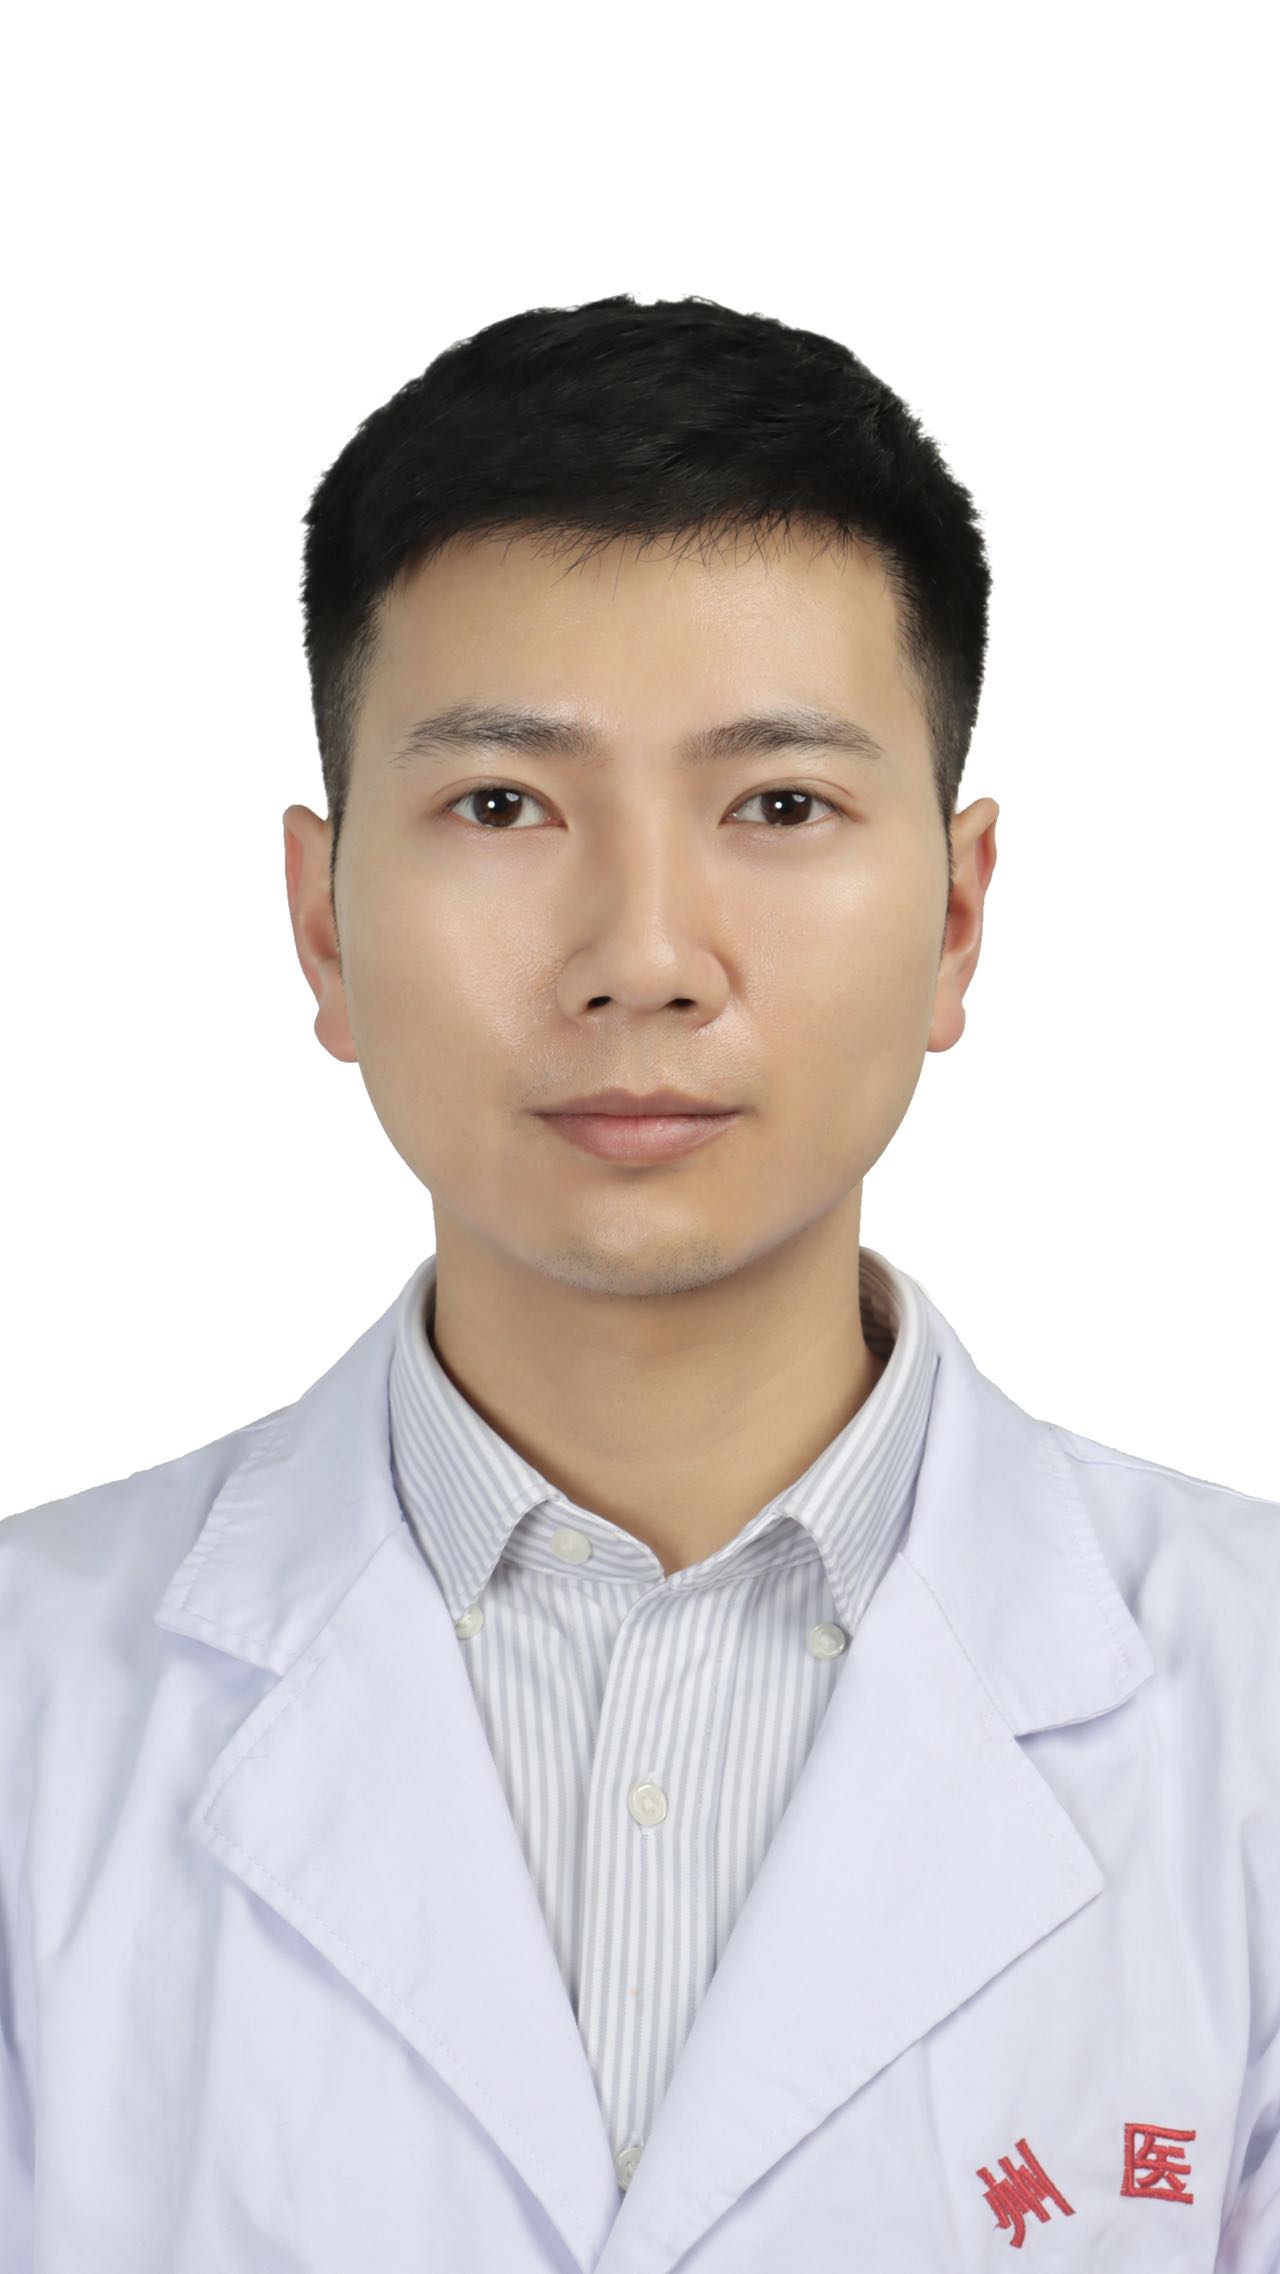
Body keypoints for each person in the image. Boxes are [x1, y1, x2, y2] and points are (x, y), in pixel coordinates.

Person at [2, 293, 1277, 2272]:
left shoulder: (1249, 1710)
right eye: (501, 805)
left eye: (778, 805)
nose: (644, 958)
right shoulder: (32, 1708)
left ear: (956, 919)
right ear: (322, 924)